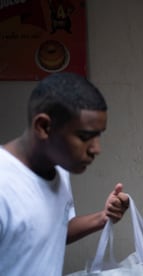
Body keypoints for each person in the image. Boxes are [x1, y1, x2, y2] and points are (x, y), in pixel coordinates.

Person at [0, 72, 129, 275]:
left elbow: (51, 232)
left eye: (98, 135)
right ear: (43, 127)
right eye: (85, 136)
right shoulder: (4, 186)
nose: (96, 148)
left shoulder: (59, 169)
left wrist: (104, 217)